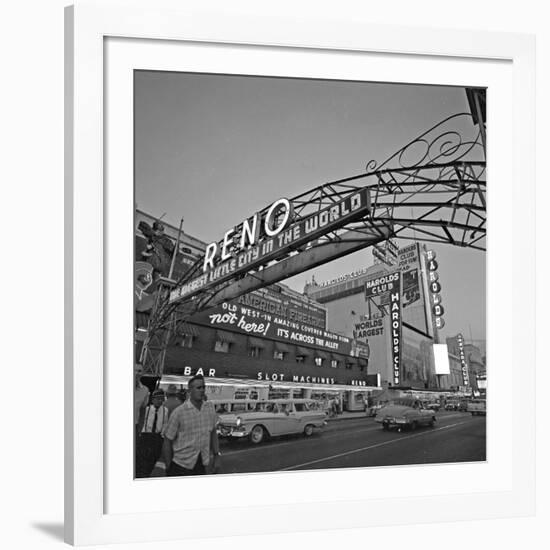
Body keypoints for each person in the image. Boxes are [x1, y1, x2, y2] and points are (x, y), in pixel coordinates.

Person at [162, 375, 221, 476]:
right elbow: (167, 440)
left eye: (203, 387)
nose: (202, 390)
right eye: (198, 388)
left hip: (203, 463)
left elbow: (213, 432)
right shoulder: (179, 412)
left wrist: (216, 456)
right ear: (190, 391)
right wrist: (169, 466)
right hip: (181, 465)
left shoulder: (210, 408)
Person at [136, 389, 168, 477]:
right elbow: (141, 421)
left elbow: (165, 423)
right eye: (158, 399)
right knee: (142, 460)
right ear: (153, 399)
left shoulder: (165, 410)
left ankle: (147, 474)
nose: (160, 401)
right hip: (146, 436)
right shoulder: (147, 409)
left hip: (157, 438)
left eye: (162, 399)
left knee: (153, 459)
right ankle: (141, 475)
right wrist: (140, 433)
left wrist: (162, 435)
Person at [134, 363, 149, 438]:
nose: (136, 373)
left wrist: (139, 428)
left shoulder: (145, 390)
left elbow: (143, 411)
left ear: (142, 373)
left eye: (139, 371)